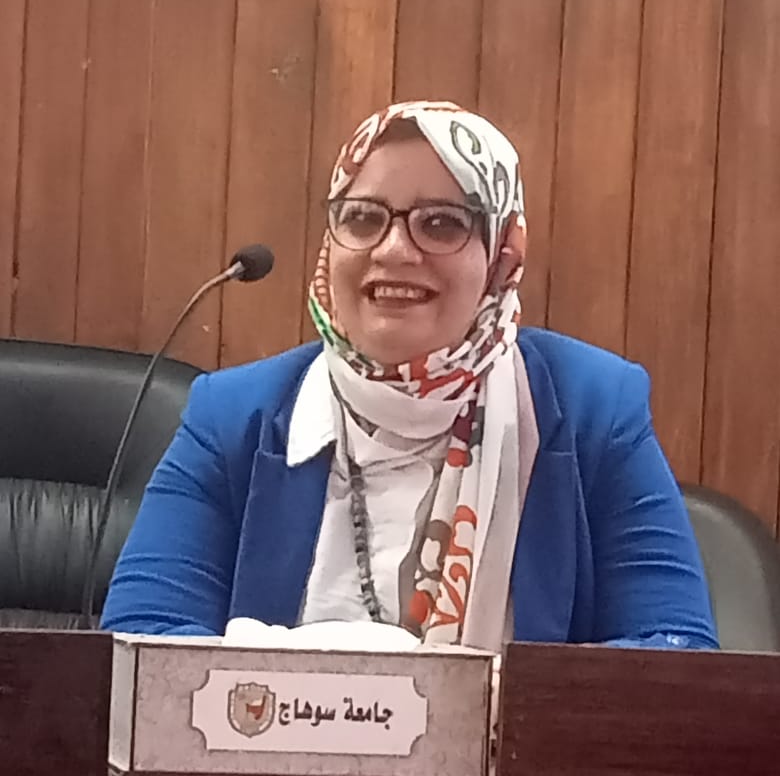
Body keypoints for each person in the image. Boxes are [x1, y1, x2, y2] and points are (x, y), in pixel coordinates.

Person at [101, 100, 717, 652]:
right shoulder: (231, 415)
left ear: (501, 254)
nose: (394, 249)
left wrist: (465, 709)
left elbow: (674, 651)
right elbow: (138, 644)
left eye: (442, 223)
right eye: (363, 217)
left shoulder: (593, 410)